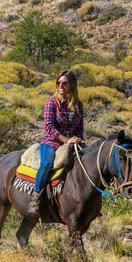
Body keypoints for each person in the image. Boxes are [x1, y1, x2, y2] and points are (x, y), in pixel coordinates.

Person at [29, 70, 85, 213]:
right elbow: (48, 127)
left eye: (64, 83)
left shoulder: (78, 105)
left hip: (71, 144)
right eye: (58, 83)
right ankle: (36, 198)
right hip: (51, 143)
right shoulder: (52, 103)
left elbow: (80, 127)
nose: (61, 86)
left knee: (86, 165)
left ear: (72, 85)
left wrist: (79, 139)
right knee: (46, 163)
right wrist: (66, 140)